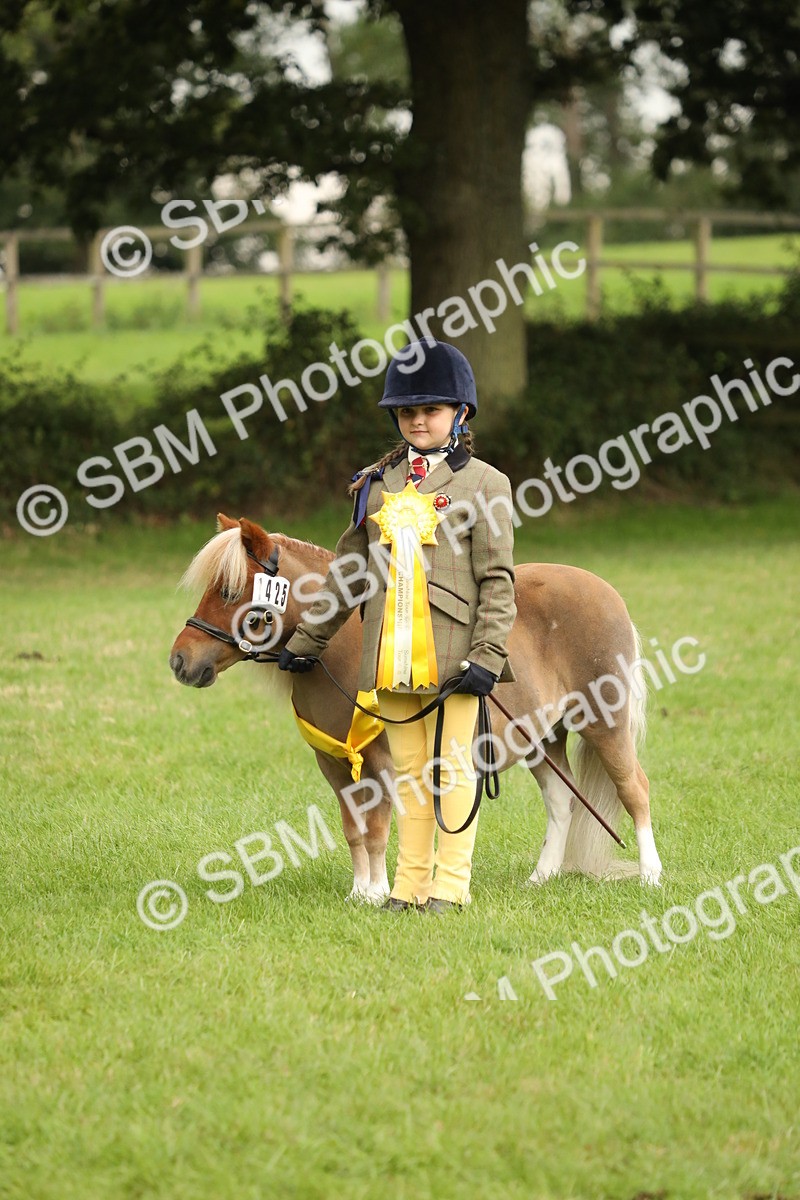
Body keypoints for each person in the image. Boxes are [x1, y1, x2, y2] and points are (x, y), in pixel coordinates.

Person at [279, 338, 516, 913]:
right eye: (407, 412)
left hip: (455, 657)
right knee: (407, 773)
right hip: (389, 654)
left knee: (453, 772)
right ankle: (410, 885)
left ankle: (451, 886)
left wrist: (486, 657)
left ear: (460, 415)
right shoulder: (378, 484)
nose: (417, 421)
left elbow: (498, 581)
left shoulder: (486, 485)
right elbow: (348, 572)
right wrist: (306, 639)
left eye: (430, 410)